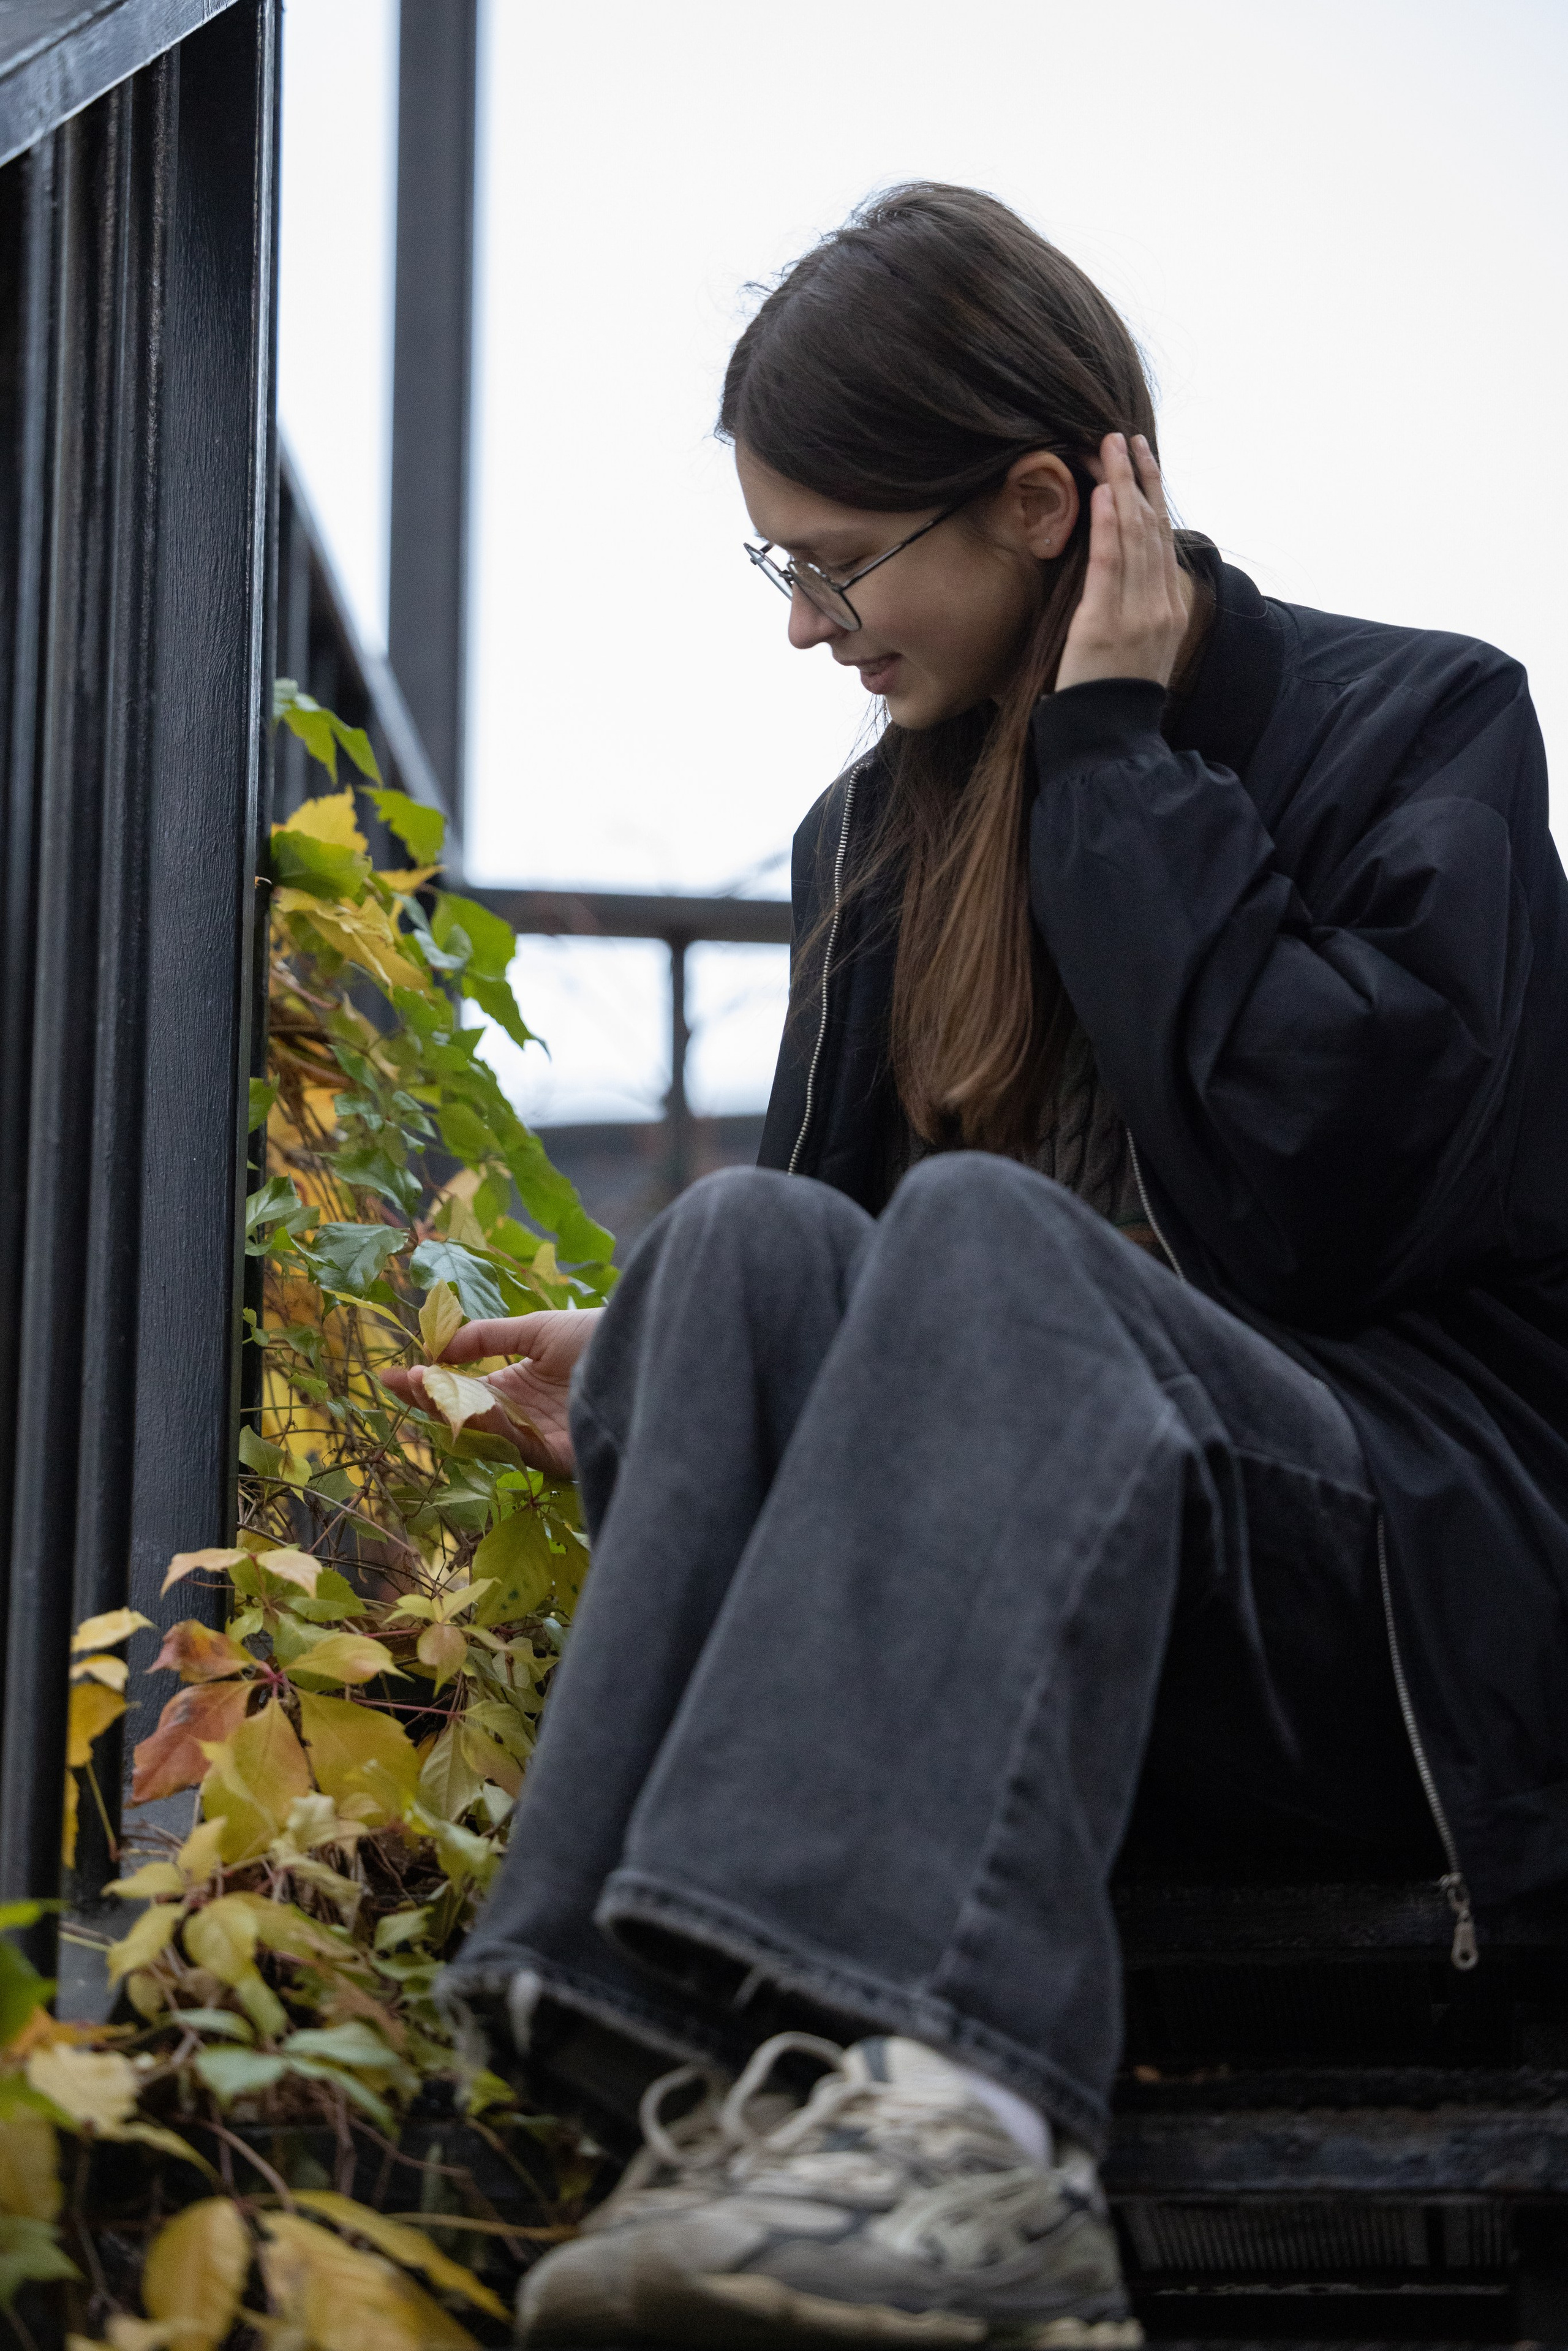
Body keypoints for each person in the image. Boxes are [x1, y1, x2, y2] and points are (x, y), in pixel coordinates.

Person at [390, 184, 1568, 2349]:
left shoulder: (1422, 727)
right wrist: (666, 1362)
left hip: (1384, 1600)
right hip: (1023, 1646)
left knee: (979, 1232)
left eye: (837, 565)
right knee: (734, 1244)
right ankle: (634, 2038)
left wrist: (1115, 767)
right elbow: (834, 1294)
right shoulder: (876, 837)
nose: (808, 629)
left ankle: (970, 2138)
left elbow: (1336, 1218)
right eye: (780, 567)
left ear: (1038, 503)